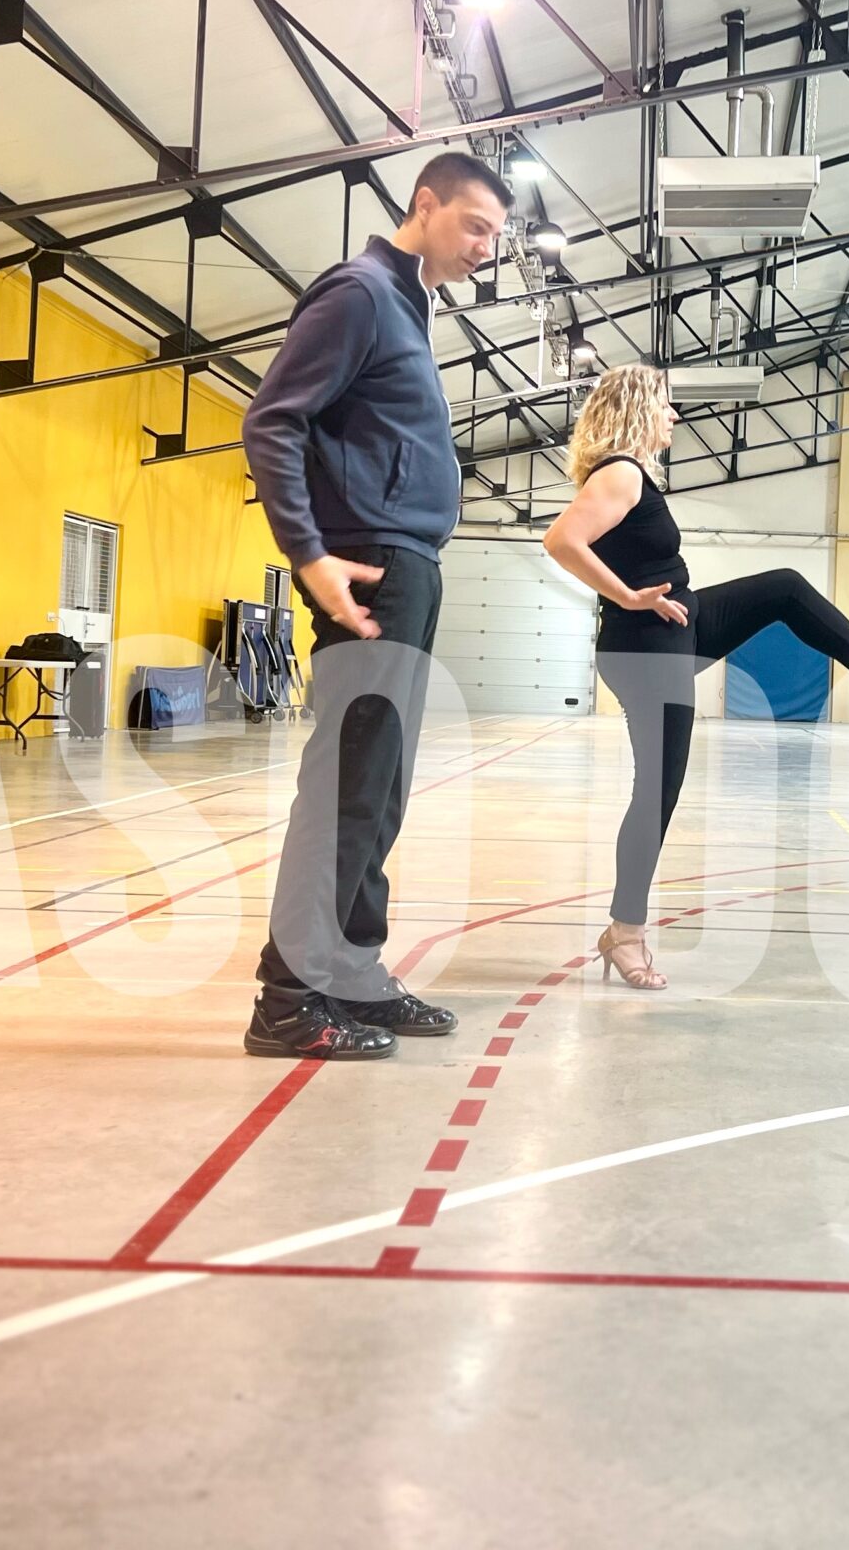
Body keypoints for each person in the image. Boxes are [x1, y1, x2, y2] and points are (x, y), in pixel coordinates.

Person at [542, 363, 849, 990]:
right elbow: (562, 541)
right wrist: (626, 596)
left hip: (679, 626)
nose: (674, 417)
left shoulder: (635, 476)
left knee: (785, 589)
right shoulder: (620, 473)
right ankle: (624, 933)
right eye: (666, 406)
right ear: (636, 410)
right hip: (647, 647)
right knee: (657, 792)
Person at [238, 152, 512, 1059]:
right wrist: (307, 554)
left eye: (496, 235)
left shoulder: (408, 305)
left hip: (407, 565)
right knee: (350, 781)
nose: (486, 247)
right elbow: (273, 420)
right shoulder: (358, 293)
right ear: (424, 204)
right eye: (474, 225)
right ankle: (287, 997)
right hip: (370, 572)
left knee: (380, 785)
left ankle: (350, 968)